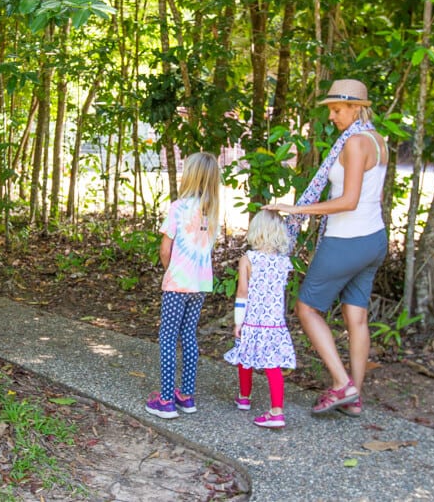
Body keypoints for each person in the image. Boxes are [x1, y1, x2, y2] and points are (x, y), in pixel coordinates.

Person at [263, 79, 388, 416]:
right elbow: (368, 197)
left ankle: (340, 383)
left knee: (306, 308)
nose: (332, 116)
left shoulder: (355, 143)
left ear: (356, 108)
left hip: (347, 241)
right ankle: (355, 397)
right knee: (356, 317)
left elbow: (348, 201)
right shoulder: (377, 140)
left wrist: (296, 210)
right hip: (374, 238)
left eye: (337, 109)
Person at [145, 152, 221, 419]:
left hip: (178, 283)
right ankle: (186, 395)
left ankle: (165, 399)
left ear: (191, 175)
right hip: (200, 284)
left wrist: (170, 271)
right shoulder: (213, 211)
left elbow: (165, 249)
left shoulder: (178, 207)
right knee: (188, 335)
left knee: (167, 337)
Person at [224, 210, 296, 428]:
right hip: (274, 323)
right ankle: (277, 409)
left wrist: (238, 321)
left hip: (253, 320)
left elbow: (242, 292)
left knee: (244, 356)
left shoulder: (248, 259)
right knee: (272, 365)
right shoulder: (284, 262)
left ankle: (244, 398)